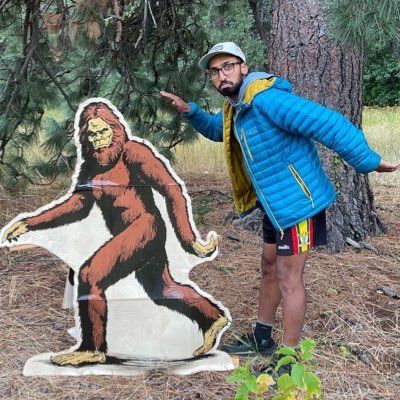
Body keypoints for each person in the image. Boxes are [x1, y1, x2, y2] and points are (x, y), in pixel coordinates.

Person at [160, 42, 400, 356]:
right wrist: (190, 112)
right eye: (215, 71)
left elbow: (328, 123)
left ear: (243, 67)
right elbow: (221, 131)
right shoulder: (237, 106)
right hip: (274, 206)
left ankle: (288, 357)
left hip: (299, 205)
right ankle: (262, 339)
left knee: (289, 278)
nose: (221, 75)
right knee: (269, 267)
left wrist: (369, 161)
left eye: (228, 66)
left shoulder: (268, 100)